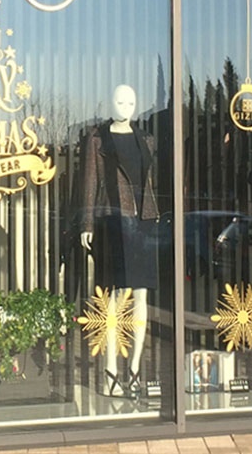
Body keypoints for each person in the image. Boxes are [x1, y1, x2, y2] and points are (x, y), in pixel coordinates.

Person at [80, 84, 159, 398]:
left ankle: (136, 368)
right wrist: (87, 223)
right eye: (120, 101)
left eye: (130, 102)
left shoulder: (146, 140)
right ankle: (111, 369)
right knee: (113, 296)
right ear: (110, 104)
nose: (125, 107)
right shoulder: (98, 140)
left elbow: (149, 182)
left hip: (143, 224)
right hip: (113, 221)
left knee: (141, 296)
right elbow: (89, 183)